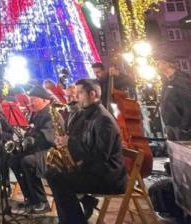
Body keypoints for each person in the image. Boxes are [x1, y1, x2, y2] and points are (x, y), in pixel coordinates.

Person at [46, 79, 127, 224]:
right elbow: (85, 144)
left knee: (58, 179)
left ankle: (73, 220)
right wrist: (64, 143)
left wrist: (70, 142)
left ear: (93, 94)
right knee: (52, 173)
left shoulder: (103, 119)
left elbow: (101, 155)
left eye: (80, 93)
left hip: (107, 176)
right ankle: (74, 216)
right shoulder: (88, 115)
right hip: (93, 170)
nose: (76, 97)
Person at [10, 85, 57, 214]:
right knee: (14, 160)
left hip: (49, 152)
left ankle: (41, 201)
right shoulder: (37, 114)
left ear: (45, 100)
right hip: (38, 149)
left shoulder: (50, 114)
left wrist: (31, 140)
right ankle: (30, 197)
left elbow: (48, 135)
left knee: (28, 162)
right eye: (31, 98)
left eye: (34, 99)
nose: (31, 102)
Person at [155, 57, 191, 140]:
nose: (156, 66)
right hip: (170, 125)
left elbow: (189, 103)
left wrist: (184, 126)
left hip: (180, 127)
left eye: (158, 63)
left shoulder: (181, 79)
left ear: (167, 64)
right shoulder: (167, 81)